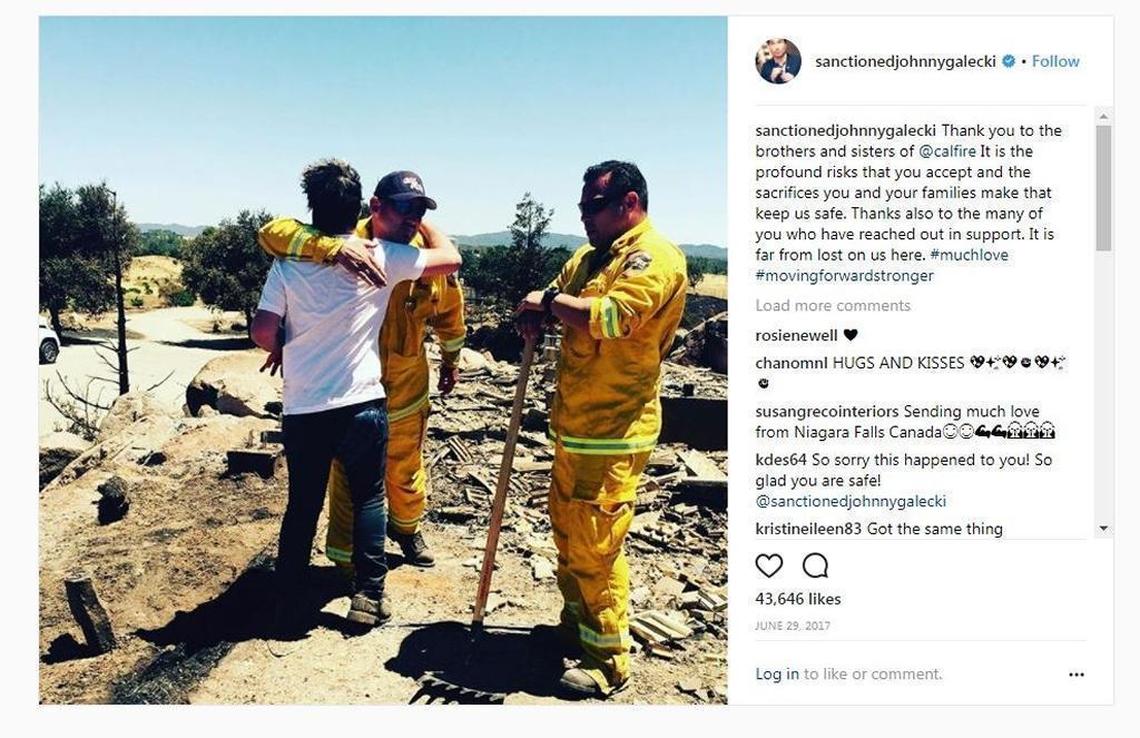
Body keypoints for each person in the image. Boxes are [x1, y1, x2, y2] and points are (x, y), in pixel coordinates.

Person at [251, 160, 461, 631]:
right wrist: (423, 221)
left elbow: (263, 332)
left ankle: (288, 600)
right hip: (362, 402)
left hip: (304, 407)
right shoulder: (384, 256)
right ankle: (368, 596)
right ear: (364, 206)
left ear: (312, 208)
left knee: (302, 504)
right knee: (369, 498)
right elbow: (452, 259)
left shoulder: (287, 264)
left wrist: (288, 344)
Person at [516, 160, 688, 698]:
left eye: (593, 206)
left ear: (629, 203)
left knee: (595, 544)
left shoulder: (652, 258)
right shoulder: (590, 258)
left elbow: (613, 319)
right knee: (568, 534)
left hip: (616, 429)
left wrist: (546, 305)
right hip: (576, 425)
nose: (583, 216)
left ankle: (607, 658)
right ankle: (577, 627)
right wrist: (542, 306)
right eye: (583, 205)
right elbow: (558, 290)